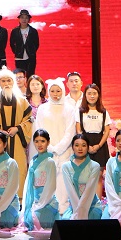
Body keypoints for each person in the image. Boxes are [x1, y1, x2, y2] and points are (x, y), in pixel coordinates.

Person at [33, 78, 77, 215]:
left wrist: (58, 148)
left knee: (63, 181)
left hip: (64, 151)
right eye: (52, 91)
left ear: (63, 91)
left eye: (58, 91)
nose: (55, 94)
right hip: (47, 150)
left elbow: (70, 131)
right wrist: (49, 147)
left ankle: (63, 209)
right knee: (47, 179)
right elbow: (39, 128)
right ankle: (48, 208)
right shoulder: (42, 108)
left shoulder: (69, 109)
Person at [0, 68, 32, 196]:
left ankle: (19, 199)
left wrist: (17, 128)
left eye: (9, 80)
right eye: (3, 81)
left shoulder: (22, 101)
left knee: (19, 169)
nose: (6, 83)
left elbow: (29, 120)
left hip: (17, 140)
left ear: (13, 82)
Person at [76, 83, 111, 196]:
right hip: (85, 144)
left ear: (98, 95)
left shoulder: (103, 112)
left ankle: (97, 203)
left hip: (100, 144)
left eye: (94, 93)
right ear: (85, 95)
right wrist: (86, 146)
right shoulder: (80, 111)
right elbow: (79, 130)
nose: (92, 96)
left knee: (98, 176)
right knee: (85, 176)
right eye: (89, 93)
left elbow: (106, 131)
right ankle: (85, 201)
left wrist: (99, 145)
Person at [21, 129, 59, 231]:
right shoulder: (33, 161)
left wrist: (39, 205)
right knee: (25, 218)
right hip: (35, 201)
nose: (39, 144)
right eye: (36, 141)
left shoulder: (50, 162)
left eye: (42, 141)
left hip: (47, 202)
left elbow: (51, 187)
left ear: (48, 142)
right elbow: (29, 184)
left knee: (33, 219)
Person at [61, 134, 104, 220]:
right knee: (66, 220)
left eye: (83, 145)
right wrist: (78, 210)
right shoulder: (66, 166)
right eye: (77, 145)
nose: (80, 148)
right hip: (74, 206)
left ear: (88, 147)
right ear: (72, 147)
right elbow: (70, 190)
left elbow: (89, 190)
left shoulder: (94, 166)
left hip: (91, 206)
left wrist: (82, 210)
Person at [9, 9, 39, 77]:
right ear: (19, 19)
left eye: (26, 18)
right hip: (19, 58)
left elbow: (36, 44)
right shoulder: (15, 31)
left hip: (31, 58)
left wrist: (32, 52)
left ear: (29, 19)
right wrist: (17, 52)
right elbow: (12, 43)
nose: (24, 20)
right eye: (22, 17)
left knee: (30, 76)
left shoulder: (33, 31)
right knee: (20, 76)